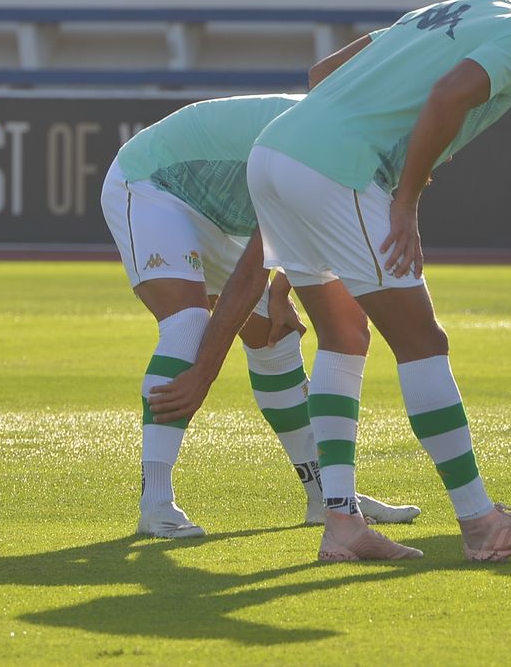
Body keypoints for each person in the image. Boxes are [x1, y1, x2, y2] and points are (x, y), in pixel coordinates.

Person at [169, 0, 511, 563]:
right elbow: (448, 97)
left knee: (343, 336)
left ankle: (341, 523)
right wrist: (404, 199)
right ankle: (480, 522)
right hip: (339, 169)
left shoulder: (469, 6)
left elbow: (323, 72)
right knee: (422, 341)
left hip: (273, 153)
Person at [101, 92, 419, 539]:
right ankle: (155, 505)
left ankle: (324, 497)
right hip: (150, 182)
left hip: (213, 212)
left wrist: (282, 292)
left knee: (274, 334)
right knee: (188, 324)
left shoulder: (353, 142)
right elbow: (251, 273)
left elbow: (300, 232)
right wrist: (202, 375)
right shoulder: (320, 146)